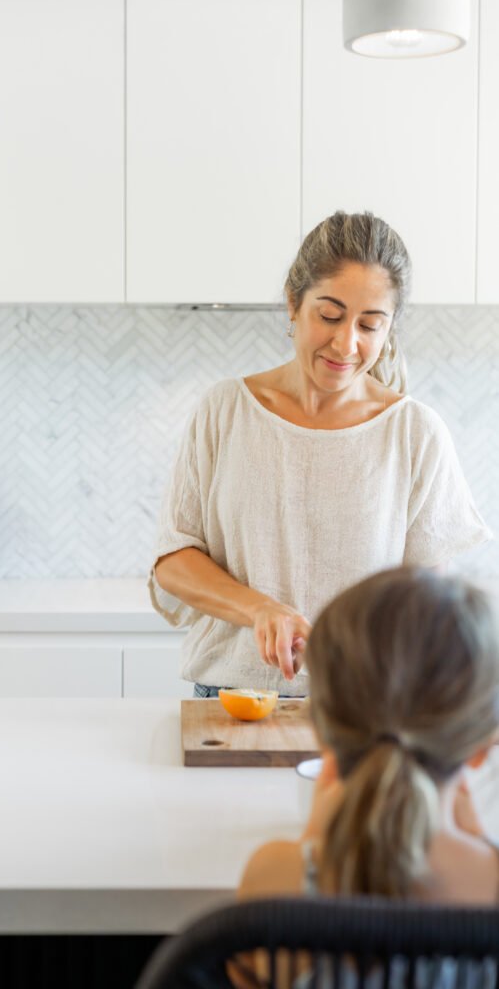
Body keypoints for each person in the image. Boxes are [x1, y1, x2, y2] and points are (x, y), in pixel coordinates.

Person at [148, 211, 492, 698]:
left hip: (362, 706)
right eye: (329, 315)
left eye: (370, 325)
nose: (346, 343)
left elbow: (424, 603)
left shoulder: (415, 433)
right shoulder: (225, 411)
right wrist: (261, 609)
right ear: (293, 303)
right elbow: (174, 560)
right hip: (232, 698)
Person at [228, 566, 499, 989]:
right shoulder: (489, 884)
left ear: (321, 729)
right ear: (482, 745)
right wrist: (480, 840)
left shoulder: (273, 877)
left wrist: (312, 839)